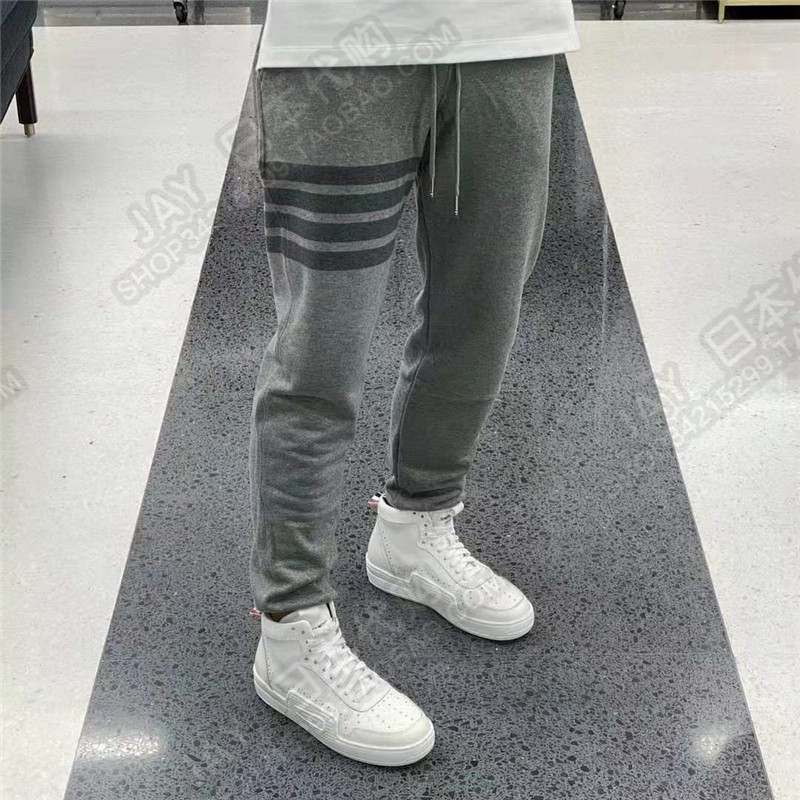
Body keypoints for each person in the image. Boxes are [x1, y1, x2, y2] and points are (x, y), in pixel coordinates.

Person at [248, 0, 580, 766]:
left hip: (510, 35)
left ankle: (415, 525)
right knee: (320, 350)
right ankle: (291, 627)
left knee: (481, 314)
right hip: (340, 42)